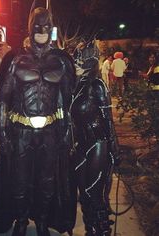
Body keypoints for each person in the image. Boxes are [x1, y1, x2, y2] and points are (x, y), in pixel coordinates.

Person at [0, 2, 76, 236]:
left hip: (49, 130)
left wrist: (67, 131)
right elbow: (3, 99)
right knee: (19, 180)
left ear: (51, 29)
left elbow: (66, 101)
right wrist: (3, 132)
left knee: (47, 181)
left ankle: (42, 220)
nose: (41, 30)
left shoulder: (60, 61)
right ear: (30, 28)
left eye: (45, 26)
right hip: (20, 131)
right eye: (37, 26)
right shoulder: (15, 59)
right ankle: (20, 220)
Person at [70, 40, 120, 236]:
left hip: (98, 143)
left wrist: (114, 149)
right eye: (75, 59)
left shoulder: (97, 85)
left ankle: (102, 231)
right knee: (83, 193)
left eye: (79, 59)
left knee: (94, 193)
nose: (76, 63)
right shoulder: (74, 85)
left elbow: (108, 120)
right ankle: (91, 229)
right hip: (81, 145)